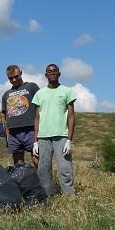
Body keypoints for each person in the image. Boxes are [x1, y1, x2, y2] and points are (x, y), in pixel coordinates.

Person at [32, 64, 76, 196]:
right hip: (43, 137)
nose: (52, 73)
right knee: (43, 169)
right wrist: (35, 141)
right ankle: (48, 197)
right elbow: (37, 118)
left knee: (65, 169)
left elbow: (71, 116)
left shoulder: (67, 91)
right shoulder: (40, 94)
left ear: (59, 74)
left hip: (61, 136)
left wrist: (69, 140)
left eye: (54, 71)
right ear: (46, 75)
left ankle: (70, 197)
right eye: (49, 72)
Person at [1, 65, 40, 165]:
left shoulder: (31, 87)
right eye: (10, 78)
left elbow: (41, 107)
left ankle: (42, 180)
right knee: (18, 164)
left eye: (16, 76)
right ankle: (21, 180)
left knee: (37, 159)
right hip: (13, 132)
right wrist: (7, 135)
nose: (14, 80)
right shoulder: (6, 94)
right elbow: (5, 117)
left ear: (21, 73)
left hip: (31, 129)